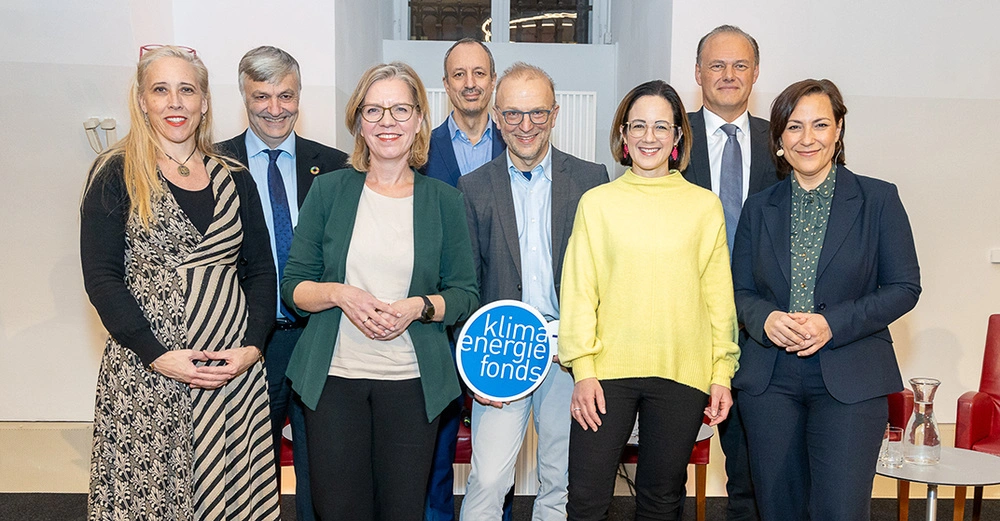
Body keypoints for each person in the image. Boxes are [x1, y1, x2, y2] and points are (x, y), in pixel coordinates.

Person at [81, 45, 279, 520]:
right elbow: (102, 278)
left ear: (205, 101)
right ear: (142, 100)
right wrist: (157, 354)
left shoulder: (236, 178)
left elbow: (260, 271)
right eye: (161, 90)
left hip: (229, 374)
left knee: (231, 497)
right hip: (149, 372)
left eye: (187, 90)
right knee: (151, 499)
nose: (175, 102)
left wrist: (251, 349)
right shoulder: (115, 173)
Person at [280, 62, 479, 521]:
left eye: (399, 109)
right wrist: (340, 294)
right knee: (340, 510)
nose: (387, 121)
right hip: (334, 382)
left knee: (402, 510)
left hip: (412, 384)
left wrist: (420, 306)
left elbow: (465, 293)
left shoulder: (444, 200)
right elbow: (294, 287)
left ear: (418, 120)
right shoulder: (328, 191)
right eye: (374, 110)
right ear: (358, 122)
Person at [731, 79, 921, 521]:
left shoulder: (878, 199)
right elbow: (738, 291)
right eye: (794, 127)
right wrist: (766, 319)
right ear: (779, 140)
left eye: (820, 124)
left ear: (838, 131)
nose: (807, 137)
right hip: (770, 381)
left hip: (851, 379)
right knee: (778, 509)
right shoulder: (759, 208)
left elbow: (904, 287)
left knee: (840, 510)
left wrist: (832, 323)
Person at [558, 79, 739, 521]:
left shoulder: (704, 206)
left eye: (661, 126)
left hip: (683, 373)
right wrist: (582, 370)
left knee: (661, 501)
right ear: (623, 135)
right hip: (604, 375)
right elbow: (579, 291)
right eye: (637, 125)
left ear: (678, 136)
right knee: (586, 498)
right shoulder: (596, 203)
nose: (649, 136)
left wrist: (722, 373)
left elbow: (719, 298)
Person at [458, 62, 608, 521]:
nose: (526, 126)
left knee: (559, 480)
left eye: (538, 113)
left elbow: (604, 277)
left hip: (568, 351)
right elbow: (468, 283)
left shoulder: (590, 180)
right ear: (497, 117)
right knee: (486, 481)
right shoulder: (473, 187)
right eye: (513, 114)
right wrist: (475, 366)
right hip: (502, 352)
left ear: (556, 113)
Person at [216, 45, 348, 521]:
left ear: (299, 95)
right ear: (244, 97)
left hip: (320, 337)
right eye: (262, 96)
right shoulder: (213, 164)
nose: (275, 108)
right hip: (251, 341)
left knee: (326, 468)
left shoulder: (334, 165)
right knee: (248, 470)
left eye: (286, 95)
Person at [684, 24, 778, 521]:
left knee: (752, 471)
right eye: (716, 65)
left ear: (756, 73)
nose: (728, 75)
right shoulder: (669, 139)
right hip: (683, 329)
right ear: (697, 73)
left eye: (739, 65)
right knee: (664, 472)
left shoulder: (783, 144)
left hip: (760, 334)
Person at [420, 38, 509, 521]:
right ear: (446, 83)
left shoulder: (517, 145)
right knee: (435, 441)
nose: (470, 83)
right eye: (459, 74)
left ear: (493, 80)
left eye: (479, 73)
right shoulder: (420, 150)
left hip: (501, 317)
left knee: (501, 447)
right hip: (438, 318)